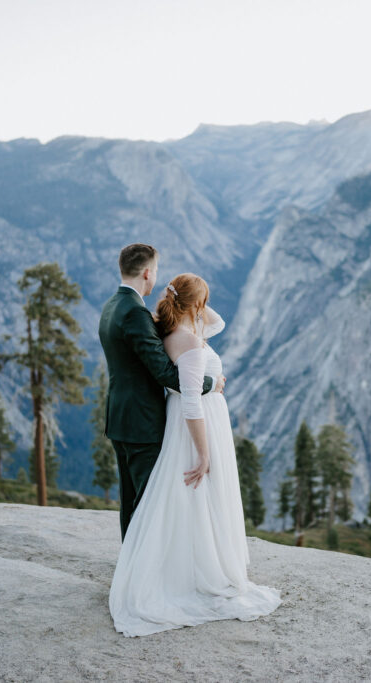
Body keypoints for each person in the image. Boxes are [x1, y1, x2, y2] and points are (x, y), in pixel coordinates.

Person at [108, 272, 282, 637]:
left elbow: (216, 322)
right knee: (197, 497)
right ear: (196, 305)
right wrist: (203, 454)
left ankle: (188, 565)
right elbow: (191, 404)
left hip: (197, 414)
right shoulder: (186, 341)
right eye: (203, 302)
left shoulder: (179, 331)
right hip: (196, 429)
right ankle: (191, 574)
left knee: (194, 503)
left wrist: (192, 301)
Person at [98, 243, 221, 540]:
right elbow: (166, 374)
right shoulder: (135, 314)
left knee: (131, 500)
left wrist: (192, 298)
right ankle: (143, 576)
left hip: (120, 417)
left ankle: (131, 565)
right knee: (149, 501)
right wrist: (211, 383)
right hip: (143, 421)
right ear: (147, 273)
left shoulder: (112, 305)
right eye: (156, 272)